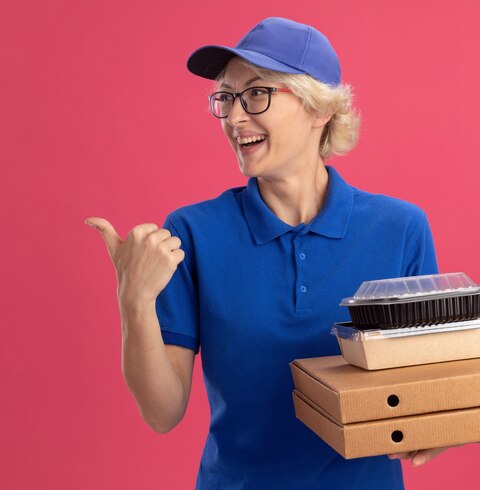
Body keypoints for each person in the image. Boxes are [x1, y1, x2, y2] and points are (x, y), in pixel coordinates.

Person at [86, 16, 452, 490]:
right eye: (226, 98)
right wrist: (133, 303)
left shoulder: (400, 229)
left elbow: (434, 386)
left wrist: (442, 425)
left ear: (319, 108)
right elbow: (162, 413)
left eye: (256, 94)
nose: (235, 118)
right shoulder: (192, 232)